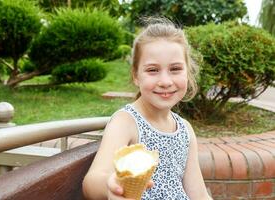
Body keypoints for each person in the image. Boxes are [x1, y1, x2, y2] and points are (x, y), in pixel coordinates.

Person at [82, 17, 212, 200]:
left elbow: (198, 194)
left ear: (188, 73)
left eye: (175, 69)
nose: (165, 82)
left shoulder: (185, 129)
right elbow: (92, 181)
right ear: (136, 76)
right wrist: (111, 186)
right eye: (153, 70)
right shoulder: (126, 122)